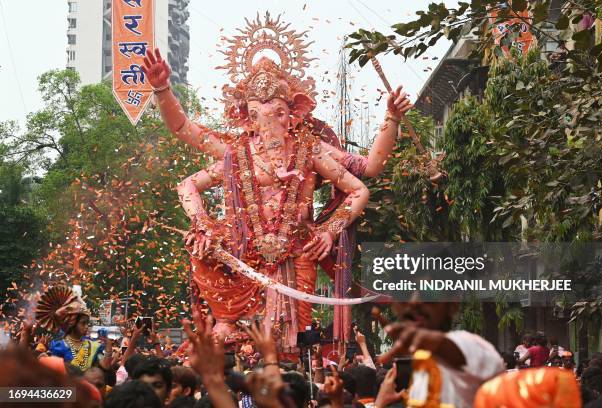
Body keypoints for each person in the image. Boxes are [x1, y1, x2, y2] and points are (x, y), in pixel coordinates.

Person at [141, 12, 412, 346]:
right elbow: (184, 138)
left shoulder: (309, 149)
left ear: (293, 112)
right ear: (247, 116)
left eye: (278, 113)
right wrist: (162, 89)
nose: (269, 122)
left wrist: (392, 119)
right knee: (203, 255)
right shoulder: (234, 152)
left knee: (291, 345)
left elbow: (365, 176)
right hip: (242, 253)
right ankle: (227, 324)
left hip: (298, 251)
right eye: (258, 114)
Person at [376, 300, 504, 408]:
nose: (414, 302)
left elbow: (461, 352)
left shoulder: (471, 346)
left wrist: (437, 344)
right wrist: (380, 403)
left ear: (453, 304)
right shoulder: (422, 364)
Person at [36, 285, 112, 371]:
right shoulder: (59, 345)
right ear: (72, 323)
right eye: (83, 323)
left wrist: (109, 346)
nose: (87, 326)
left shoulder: (92, 344)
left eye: (88, 323)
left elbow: (105, 367)